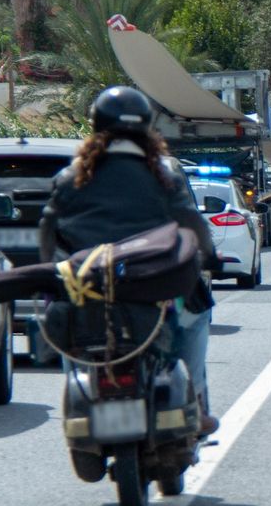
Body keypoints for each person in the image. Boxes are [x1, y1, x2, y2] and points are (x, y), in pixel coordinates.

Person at [38, 86, 220, 435]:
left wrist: (53, 271)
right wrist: (209, 255)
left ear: (96, 128)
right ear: (148, 129)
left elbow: (49, 228)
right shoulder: (164, 172)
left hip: (88, 285)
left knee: (67, 320)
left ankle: (80, 394)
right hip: (154, 281)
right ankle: (195, 400)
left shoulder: (71, 175)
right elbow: (190, 221)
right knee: (197, 315)